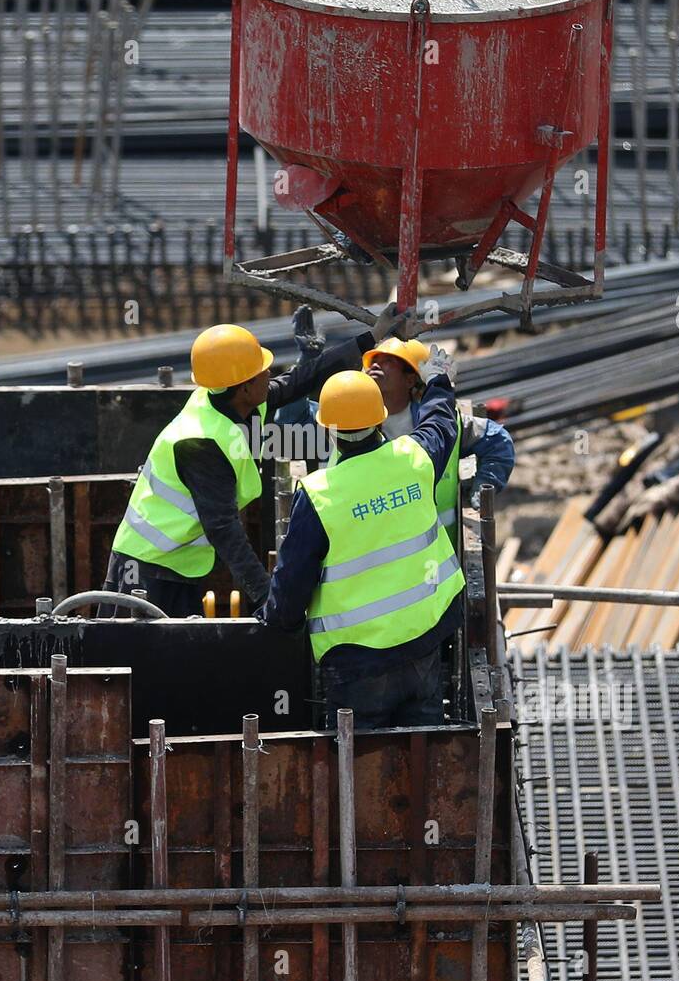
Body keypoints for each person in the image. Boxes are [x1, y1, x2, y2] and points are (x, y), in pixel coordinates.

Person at [102, 305, 408, 617]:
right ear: (244, 386)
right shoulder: (200, 443)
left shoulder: (230, 399)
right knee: (136, 660)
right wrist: (270, 599)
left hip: (178, 565)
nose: (270, 374)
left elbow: (300, 379)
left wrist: (372, 337)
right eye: (262, 371)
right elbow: (225, 530)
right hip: (145, 571)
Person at [259, 350, 466, 729]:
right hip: (423, 639)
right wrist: (438, 381)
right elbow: (440, 424)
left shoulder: (320, 494)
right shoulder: (414, 459)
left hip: (358, 663)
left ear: (327, 428)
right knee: (423, 747)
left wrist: (276, 624)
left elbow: (292, 581)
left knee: (362, 767)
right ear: (380, 419)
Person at [363, 337, 515, 534]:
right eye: (373, 361)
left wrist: (485, 483)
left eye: (387, 361)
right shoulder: (357, 429)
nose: (375, 365)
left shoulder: (446, 424)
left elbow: (498, 442)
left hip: (440, 550)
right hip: (388, 551)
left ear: (410, 380)